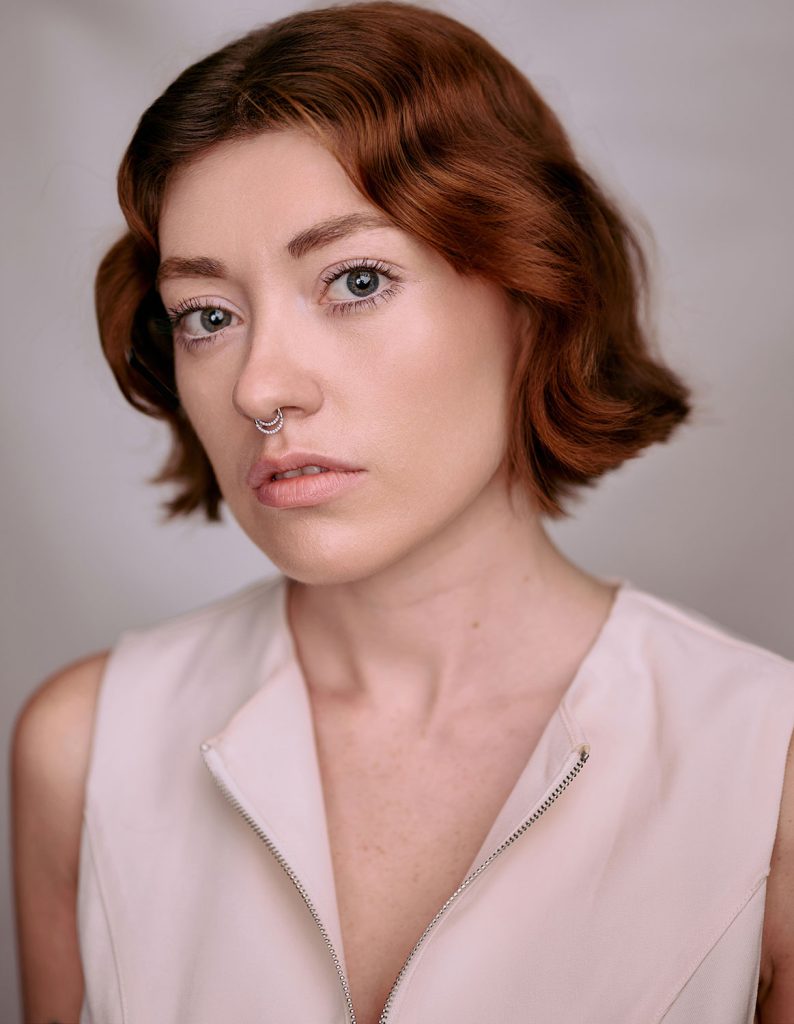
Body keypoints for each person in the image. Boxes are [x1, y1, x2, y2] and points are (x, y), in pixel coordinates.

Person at [10, 2, 794, 1021]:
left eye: (355, 279)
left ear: (532, 290)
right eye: (208, 314)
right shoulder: (84, 749)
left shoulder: (764, 771)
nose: (259, 387)